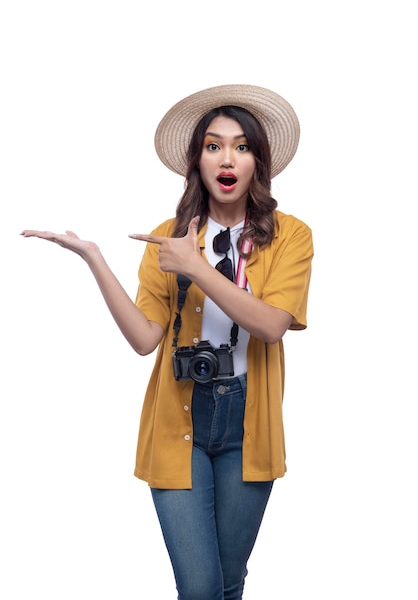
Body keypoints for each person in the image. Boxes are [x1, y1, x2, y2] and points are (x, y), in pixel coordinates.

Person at [21, 84, 313, 600]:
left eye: (242, 147)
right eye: (214, 145)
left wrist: (195, 267)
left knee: (228, 581)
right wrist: (94, 259)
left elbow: (271, 325)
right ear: (196, 160)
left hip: (250, 421)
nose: (228, 158)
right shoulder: (169, 237)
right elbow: (143, 338)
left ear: (258, 162)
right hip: (178, 416)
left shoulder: (289, 235)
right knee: (200, 588)